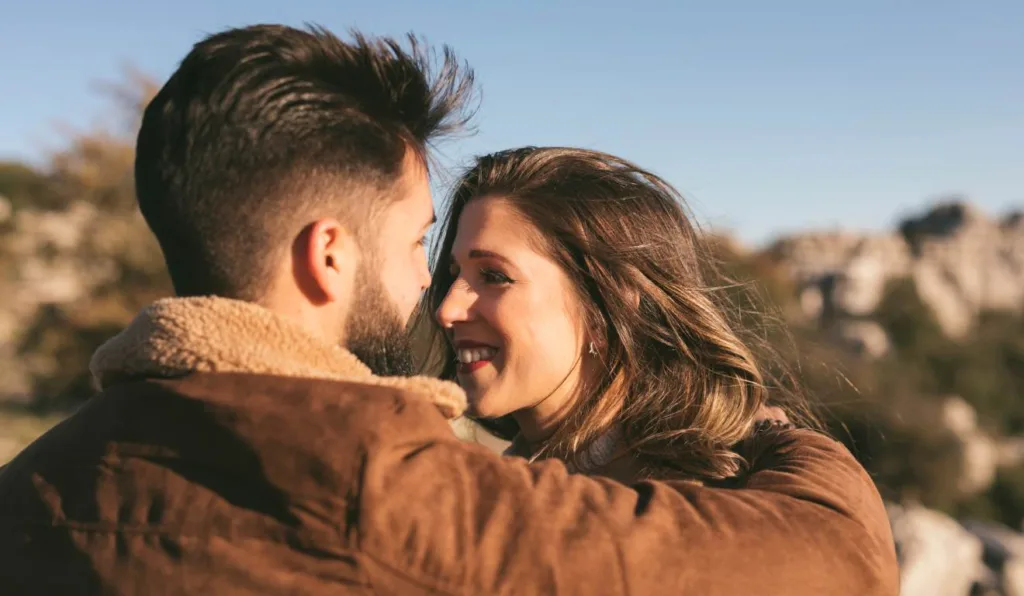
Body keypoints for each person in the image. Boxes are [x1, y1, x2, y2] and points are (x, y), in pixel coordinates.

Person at [0, 24, 899, 595]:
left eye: (490, 273)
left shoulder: (37, 481)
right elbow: (840, 564)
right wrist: (792, 443)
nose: (440, 297)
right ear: (328, 255)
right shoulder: (393, 488)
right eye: (418, 247)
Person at [428, 146, 819, 484]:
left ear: (606, 306)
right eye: (455, 276)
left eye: (494, 276)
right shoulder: (512, 482)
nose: (448, 309)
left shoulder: (698, 498)